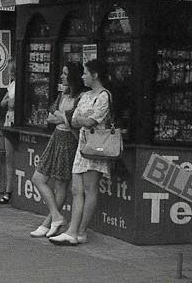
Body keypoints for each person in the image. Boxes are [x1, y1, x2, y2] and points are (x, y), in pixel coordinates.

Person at [50, 59, 112, 246]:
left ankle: (80, 231)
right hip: (81, 146)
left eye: (86, 73)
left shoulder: (103, 96)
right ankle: (73, 231)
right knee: (76, 189)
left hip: (95, 147)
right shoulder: (85, 96)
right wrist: (77, 119)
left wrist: (78, 119)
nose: (83, 76)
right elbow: (74, 119)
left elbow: (89, 121)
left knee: (90, 189)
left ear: (95, 75)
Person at [30, 62, 84, 238]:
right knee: (38, 178)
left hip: (69, 140)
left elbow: (74, 121)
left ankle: (48, 224)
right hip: (56, 137)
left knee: (61, 184)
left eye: (65, 73)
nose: (61, 76)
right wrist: (63, 118)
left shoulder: (81, 97)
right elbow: (50, 115)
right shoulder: (63, 94)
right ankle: (56, 216)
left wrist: (62, 117)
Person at [0, 58, 16, 204]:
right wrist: (9, 101)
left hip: (16, 119)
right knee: (9, 157)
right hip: (9, 119)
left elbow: (13, 103)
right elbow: (4, 102)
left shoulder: (20, 84)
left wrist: (11, 102)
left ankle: (11, 189)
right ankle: (8, 189)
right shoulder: (12, 85)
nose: (11, 73)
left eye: (12, 70)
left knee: (14, 156)